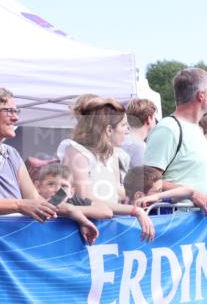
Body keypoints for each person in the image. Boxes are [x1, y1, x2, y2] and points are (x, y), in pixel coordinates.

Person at [143, 68, 207, 214]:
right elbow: (147, 181)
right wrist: (192, 194)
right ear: (201, 96)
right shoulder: (168, 128)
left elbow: (192, 181)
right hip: (176, 222)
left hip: (198, 225)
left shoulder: (197, 130)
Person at [59, 96, 155, 239]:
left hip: (107, 230)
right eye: (123, 125)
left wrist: (145, 195)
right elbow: (86, 200)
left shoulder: (112, 154)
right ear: (109, 130)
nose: (127, 130)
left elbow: (116, 192)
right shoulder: (76, 153)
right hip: (76, 233)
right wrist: (134, 210)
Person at [0, 87, 57, 221]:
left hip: (12, 235)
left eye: (16, 111)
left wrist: (70, 207)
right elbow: (25, 204)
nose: (16, 118)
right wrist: (18, 204)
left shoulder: (11, 155)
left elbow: (35, 200)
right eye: (9, 111)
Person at [33, 163, 113, 244]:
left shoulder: (73, 201)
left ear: (71, 192)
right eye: (51, 184)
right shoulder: (34, 203)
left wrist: (71, 210)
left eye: (64, 186)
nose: (58, 190)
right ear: (37, 187)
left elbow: (107, 212)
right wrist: (70, 211)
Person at [122, 97, 157, 170]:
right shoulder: (140, 147)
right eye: (154, 118)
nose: (156, 122)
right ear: (149, 119)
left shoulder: (119, 141)